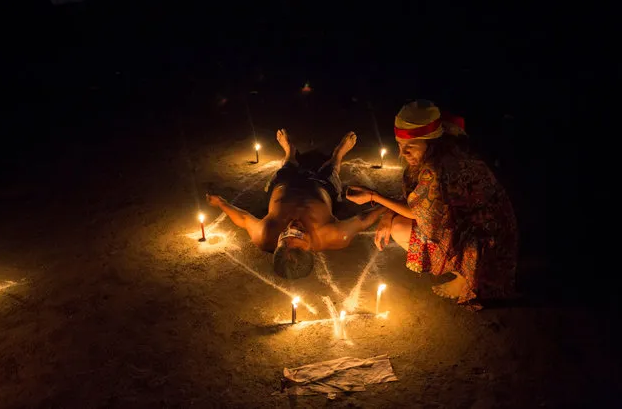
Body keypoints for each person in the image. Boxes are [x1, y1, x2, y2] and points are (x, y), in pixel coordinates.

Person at [345, 99, 518, 309]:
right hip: (481, 225)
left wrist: (373, 196)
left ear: (431, 142)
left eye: (411, 145)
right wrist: (387, 215)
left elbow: (417, 212)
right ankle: (464, 271)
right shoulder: (440, 151)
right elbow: (417, 199)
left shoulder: (437, 167)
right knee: (397, 222)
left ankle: (468, 277)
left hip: (487, 239)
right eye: (400, 144)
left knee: (402, 227)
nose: (404, 152)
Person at [207, 129, 387, 279]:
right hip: (321, 185)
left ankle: (290, 152)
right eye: (299, 234)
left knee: (287, 165)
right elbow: (363, 219)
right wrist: (388, 205)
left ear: (277, 243)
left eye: (284, 234)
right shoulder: (334, 236)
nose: (292, 226)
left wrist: (221, 203)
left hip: (285, 183)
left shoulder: (265, 235)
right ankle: (338, 153)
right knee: (331, 169)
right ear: (310, 249)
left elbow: (244, 219)